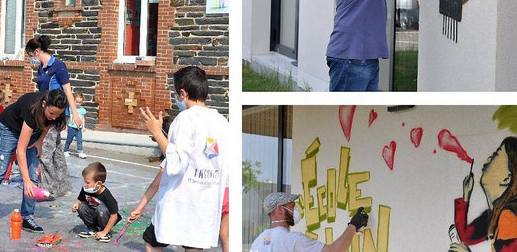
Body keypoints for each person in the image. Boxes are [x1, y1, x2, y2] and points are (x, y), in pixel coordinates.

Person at [139, 66, 229, 251]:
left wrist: (157, 132)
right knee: (193, 247)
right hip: (206, 201)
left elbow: (177, 162)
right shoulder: (222, 121)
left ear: (182, 92)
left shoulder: (185, 119)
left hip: (180, 198)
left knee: (153, 243)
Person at [0, 89, 68, 234]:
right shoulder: (32, 107)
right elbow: (20, 150)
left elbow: (48, 123)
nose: (54, 117)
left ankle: (28, 216)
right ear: (44, 104)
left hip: (33, 133)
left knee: (33, 176)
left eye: (58, 114)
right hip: (8, 129)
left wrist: (40, 141)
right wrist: (26, 181)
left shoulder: (57, 113)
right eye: (51, 113)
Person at [450, 137, 517, 252]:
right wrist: (466, 194)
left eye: (495, 155)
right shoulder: (496, 215)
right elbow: (466, 238)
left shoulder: (509, 221)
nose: (488, 158)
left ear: (506, 179)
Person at [26, 35, 77, 198]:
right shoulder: (41, 67)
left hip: (57, 113)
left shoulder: (58, 66)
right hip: (45, 112)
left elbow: (67, 90)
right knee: (56, 151)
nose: (30, 60)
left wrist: (75, 112)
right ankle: (63, 186)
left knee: (45, 150)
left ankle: (48, 189)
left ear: (37, 51)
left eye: (30, 55)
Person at [251, 192, 368, 252]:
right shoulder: (292, 240)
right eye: (292, 207)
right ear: (280, 209)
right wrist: (353, 225)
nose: (295, 210)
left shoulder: (257, 242)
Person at [71, 162, 120, 243]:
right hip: (94, 215)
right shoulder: (86, 189)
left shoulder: (107, 196)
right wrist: (76, 204)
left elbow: (114, 216)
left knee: (101, 208)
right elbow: (81, 200)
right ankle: (92, 229)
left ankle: (104, 232)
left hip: (105, 218)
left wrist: (104, 232)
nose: (85, 184)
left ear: (99, 183)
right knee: (81, 206)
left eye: (87, 182)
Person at [63, 91, 87, 159]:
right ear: (73, 101)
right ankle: (66, 150)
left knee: (79, 141)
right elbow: (67, 118)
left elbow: (83, 119)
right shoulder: (70, 109)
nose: (78, 104)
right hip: (71, 127)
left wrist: (84, 127)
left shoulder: (82, 110)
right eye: (77, 102)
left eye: (80, 102)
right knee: (69, 140)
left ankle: (80, 152)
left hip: (79, 128)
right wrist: (65, 126)